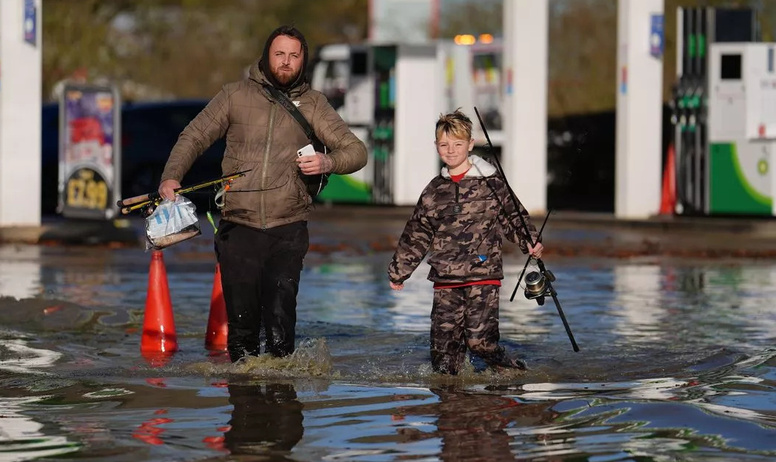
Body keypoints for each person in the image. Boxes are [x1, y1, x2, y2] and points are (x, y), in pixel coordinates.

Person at [158, 26, 367, 362]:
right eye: (279, 54)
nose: (285, 62)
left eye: (293, 56)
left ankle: (282, 405)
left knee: (281, 326)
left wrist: (328, 161)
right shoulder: (234, 95)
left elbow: (357, 151)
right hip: (238, 226)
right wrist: (171, 177)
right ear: (267, 56)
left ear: (303, 60)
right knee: (242, 331)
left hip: (288, 227)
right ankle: (246, 407)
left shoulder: (314, 104)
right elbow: (193, 136)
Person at [387, 109, 543, 375]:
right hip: (445, 280)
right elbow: (417, 232)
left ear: (470, 145)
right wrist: (399, 272)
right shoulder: (434, 190)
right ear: (436, 147)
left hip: (483, 276)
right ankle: (452, 407)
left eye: (457, 144)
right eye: (444, 145)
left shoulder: (492, 183)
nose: (451, 150)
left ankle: (512, 373)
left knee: (480, 343)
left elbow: (513, 217)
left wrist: (529, 241)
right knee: (443, 358)